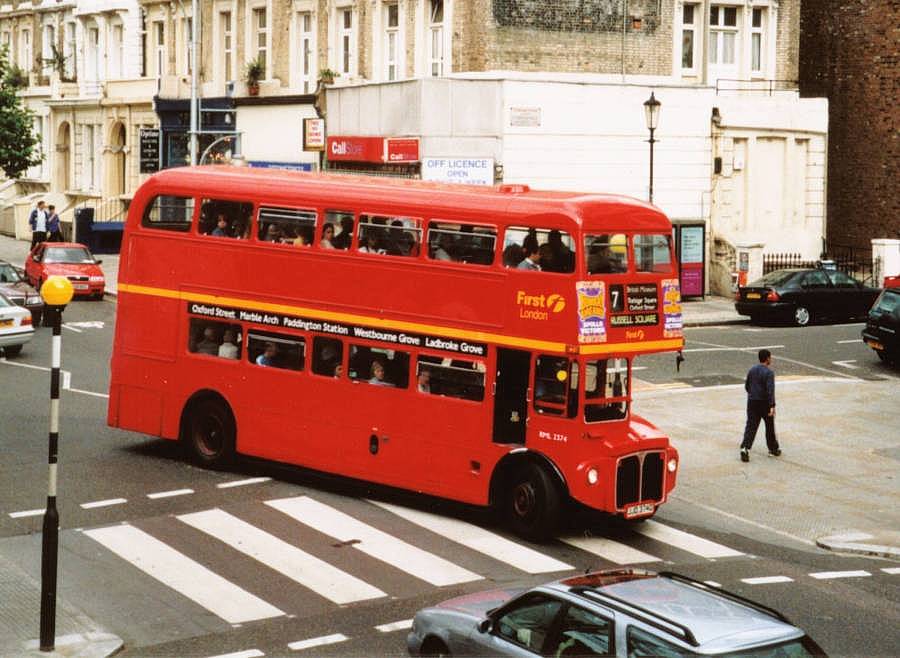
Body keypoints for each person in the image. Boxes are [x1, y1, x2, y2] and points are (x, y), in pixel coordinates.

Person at [740, 349, 781, 462]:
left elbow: (747, 386)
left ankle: (745, 448)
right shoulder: (769, 373)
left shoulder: (752, 370)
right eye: (770, 357)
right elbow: (770, 391)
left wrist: (752, 394)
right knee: (769, 426)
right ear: (767, 358)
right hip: (764, 403)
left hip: (752, 401)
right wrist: (772, 405)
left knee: (751, 426)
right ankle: (773, 449)